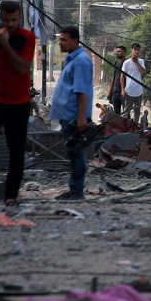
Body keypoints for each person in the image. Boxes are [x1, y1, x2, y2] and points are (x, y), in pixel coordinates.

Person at [0, 1, 35, 206]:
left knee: (16, 150)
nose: (10, 24)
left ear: (19, 17)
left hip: (18, 102)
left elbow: (22, 68)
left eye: (14, 20)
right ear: (0, 17)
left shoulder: (27, 38)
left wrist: (5, 44)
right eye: (6, 20)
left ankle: (11, 195)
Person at [51, 26, 92, 201]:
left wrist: (82, 117)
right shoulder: (72, 59)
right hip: (67, 114)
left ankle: (76, 190)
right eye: (60, 39)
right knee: (73, 153)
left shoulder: (81, 61)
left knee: (76, 153)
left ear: (75, 41)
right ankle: (74, 188)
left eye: (64, 39)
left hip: (75, 116)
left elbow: (82, 92)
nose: (60, 42)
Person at [121, 43, 148, 126]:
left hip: (138, 91)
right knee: (126, 112)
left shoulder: (141, 61)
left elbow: (143, 72)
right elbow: (122, 76)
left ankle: (134, 129)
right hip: (129, 91)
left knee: (137, 113)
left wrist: (136, 62)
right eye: (135, 49)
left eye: (138, 50)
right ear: (132, 50)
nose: (136, 51)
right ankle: (123, 129)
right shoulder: (126, 62)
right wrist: (123, 89)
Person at [106, 45, 127, 121]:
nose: (117, 53)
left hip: (125, 91)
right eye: (117, 51)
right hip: (115, 90)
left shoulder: (128, 63)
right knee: (116, 113)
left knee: (126, 113)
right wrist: (110, 91)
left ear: (124, 53)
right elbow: (114, 77)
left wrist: (124, 90)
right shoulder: (116, 63)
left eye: (119, 51)